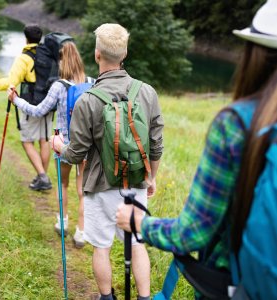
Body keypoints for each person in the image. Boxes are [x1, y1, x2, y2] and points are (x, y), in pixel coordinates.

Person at [116, 0, 277, 298]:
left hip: (238, 285)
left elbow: (193, 233)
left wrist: (139, 222)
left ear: (253, 54)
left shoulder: (236, 126)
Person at [52, 24, 164, 299]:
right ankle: (145, 297)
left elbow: (76, 154)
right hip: (136, 182)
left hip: (100, 186)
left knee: (101, 247)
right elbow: (156, 145)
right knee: (136, 243)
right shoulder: (147, 92)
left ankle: (106, 297)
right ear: (124, 54)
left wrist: (59, 146)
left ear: (97, 54)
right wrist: (150, 178)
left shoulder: (88, 100)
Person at [7, 41, 89, 248]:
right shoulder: (92, 83)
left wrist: (16, 100)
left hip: (63, 143)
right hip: (86, 145)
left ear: (61, 61)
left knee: (63, 184)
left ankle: (62, 223)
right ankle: (81, 232)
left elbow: (37, 111)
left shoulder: (58, 87)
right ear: (79, 60)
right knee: (84, 190)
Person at [0, 24, 53, 191]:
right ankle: (42, 177)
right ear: (40, 38)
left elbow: (9, 83)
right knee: (44, 140)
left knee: (27, 141)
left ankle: (42, 177)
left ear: (26, 37)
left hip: (30, 103)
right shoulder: (48, 53)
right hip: (48, 102)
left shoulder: (24, 58)